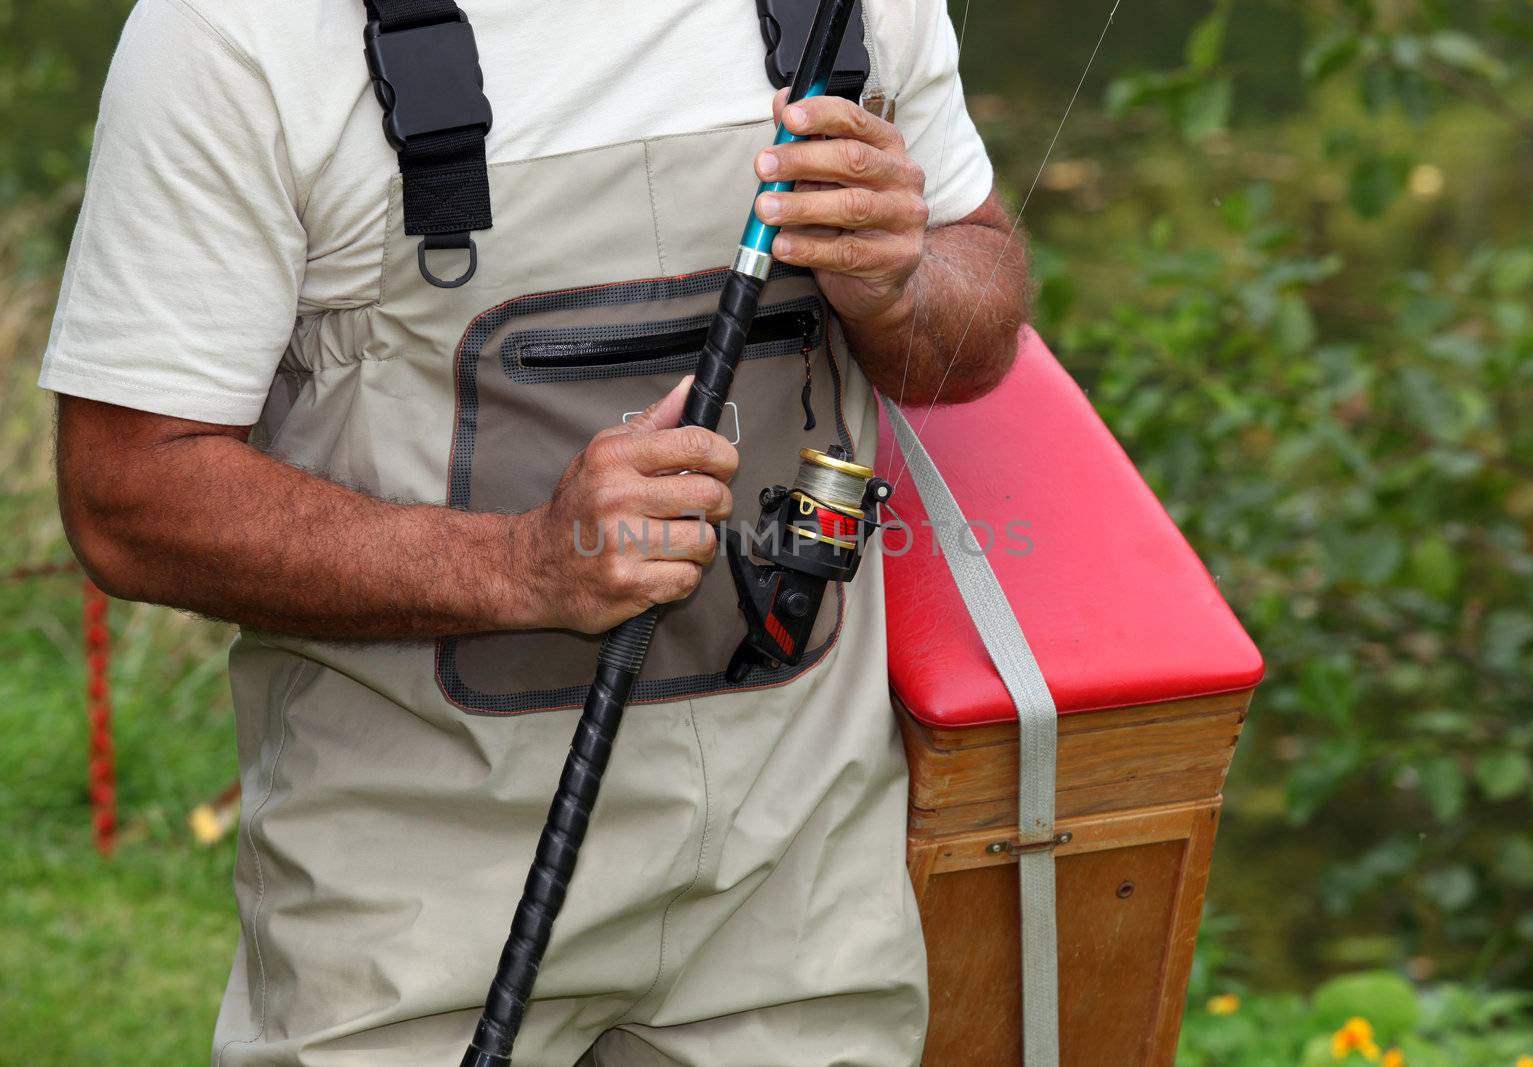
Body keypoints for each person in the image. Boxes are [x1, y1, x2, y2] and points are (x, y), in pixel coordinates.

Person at [40, 1, 1028, 1064]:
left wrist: (901, 282)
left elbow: (975, 317)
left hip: (802, 900)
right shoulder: (235, 33)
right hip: (416, 920)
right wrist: (520, 564)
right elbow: (127, 494)